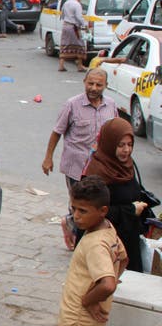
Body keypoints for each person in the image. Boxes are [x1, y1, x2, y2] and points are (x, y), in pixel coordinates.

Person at [41, 176, 126, 326]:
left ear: (102, 211)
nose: (76, 216)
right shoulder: (107, 230)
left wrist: (89, 300)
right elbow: (123, 258)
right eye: (73, 209)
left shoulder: (95, 244)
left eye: (82, 211)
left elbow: (108, 283)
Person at [42, 67, 119, 246]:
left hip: (101, 166)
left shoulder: (111, 105)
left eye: (98, 84)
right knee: (81, 203)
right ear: (84, 82)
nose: (93, 88)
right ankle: (79, 238)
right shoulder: (72, 104)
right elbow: (57, 132)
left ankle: (74, 225)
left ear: (106, 85)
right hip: (76, 166)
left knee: (97, 203)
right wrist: (48, 158)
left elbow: (115, 131)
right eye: (90, 83)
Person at [82, 118, 150, 272]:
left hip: (128, 243)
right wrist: (130, 210)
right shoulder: (97, 173)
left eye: (130, 145)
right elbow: (92, 213)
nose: (126, 150)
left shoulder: (126, 166)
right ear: (109, 144)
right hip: (104, 248)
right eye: (121, 145)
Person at [59, 0, 87, 72]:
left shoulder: (66, 3)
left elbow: (62, 15)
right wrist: (84, 25)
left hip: (65, 25)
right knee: (80, 45)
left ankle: (61, 65)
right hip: (73, 27)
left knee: (65, 45)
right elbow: (79, 17)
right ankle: (80, 66)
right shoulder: (77, 4)